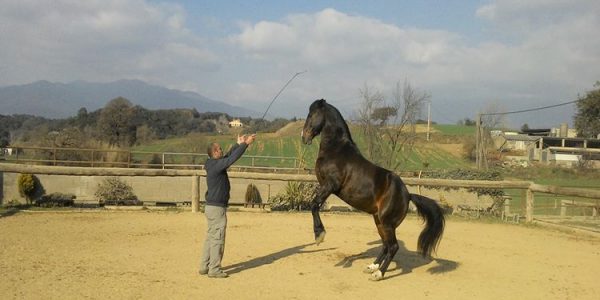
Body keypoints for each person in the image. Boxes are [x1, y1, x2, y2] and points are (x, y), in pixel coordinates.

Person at [199, 133, 256, 278]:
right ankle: (214, 269)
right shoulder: (216, 165)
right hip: (217, 209)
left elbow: (227, 157)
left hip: (211, 208)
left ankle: (204, 266)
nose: (222, 150)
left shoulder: (212, 163)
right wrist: (246, 144)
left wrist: (238, 144)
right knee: (217, 238)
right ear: (214, 152)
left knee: (211, 237)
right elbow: (231, 159)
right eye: (219, 149)